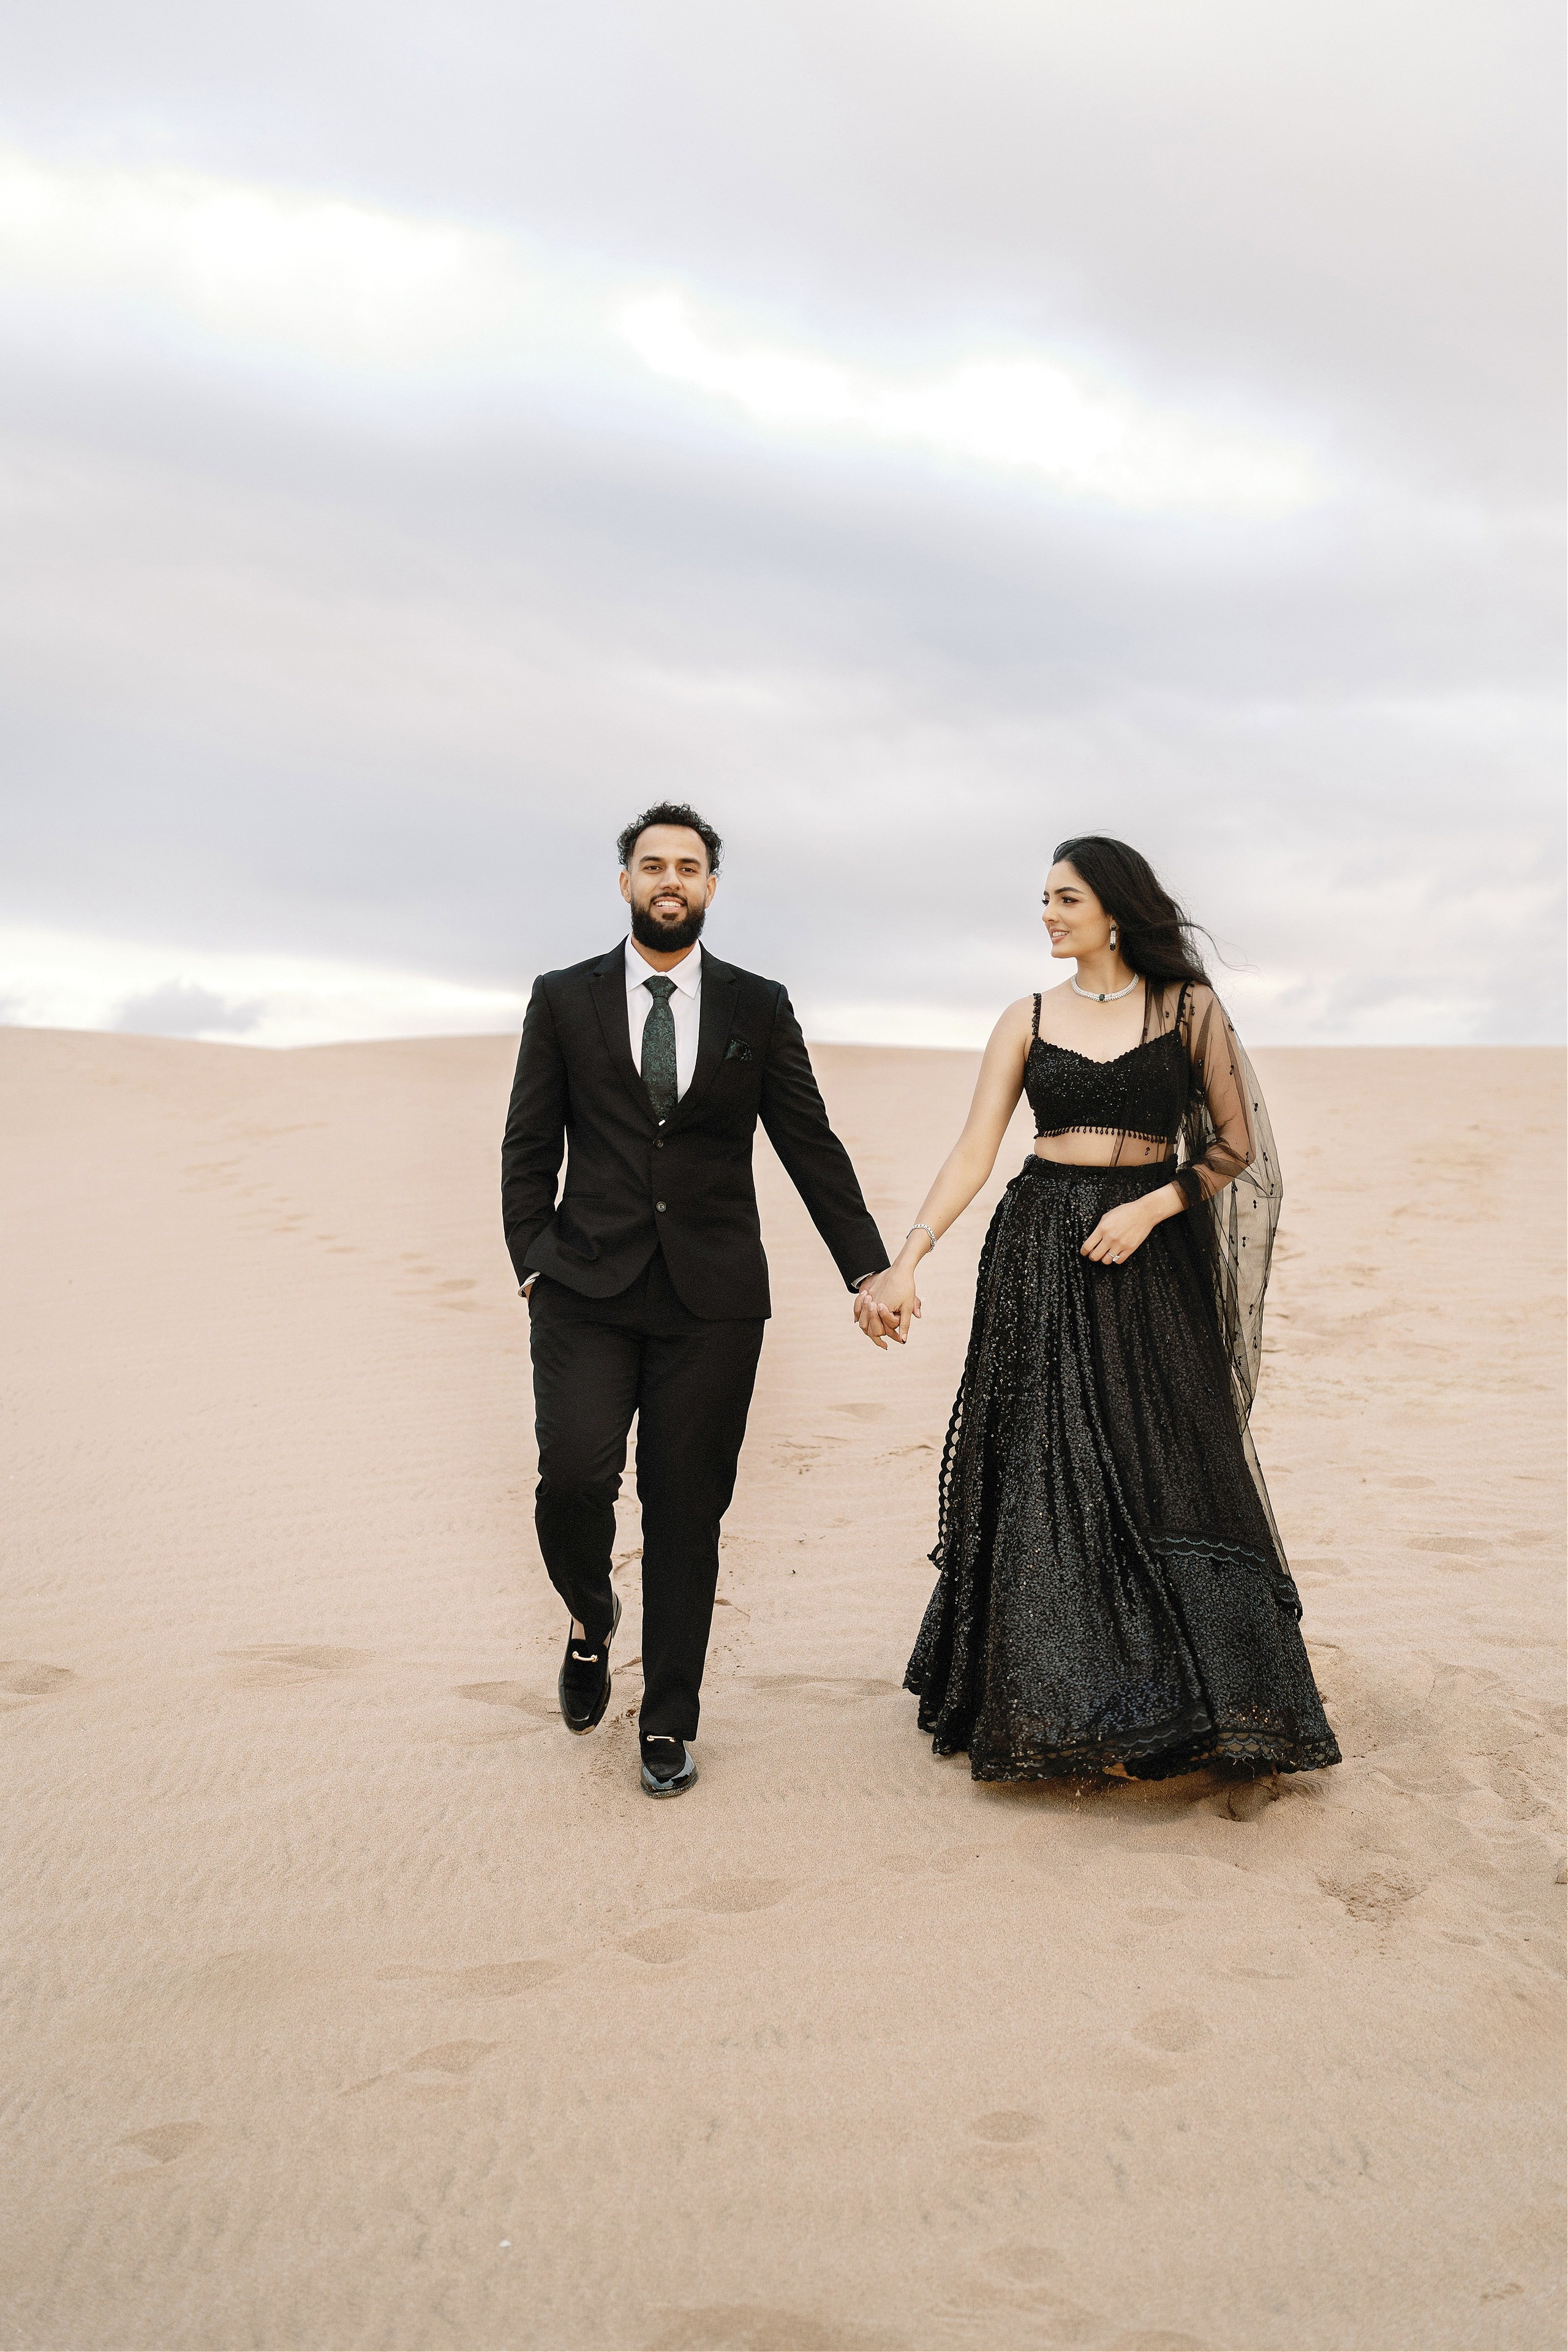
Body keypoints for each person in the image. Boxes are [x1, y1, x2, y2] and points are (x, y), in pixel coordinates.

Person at [855, 835, 1340, 1784]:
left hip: (1151, 1251)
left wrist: (1155, 1206)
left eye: (1065, 898)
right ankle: (1062, 1704)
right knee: (1046, 1460)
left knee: (1173, 1455)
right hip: (1039, 1248)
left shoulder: (1190, 1007)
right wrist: (906, 1259)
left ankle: (1218, 1700)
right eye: (1043, 899)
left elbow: (1238, 1144)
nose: (1047, 914)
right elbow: (972, 1154)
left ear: (1113, 909)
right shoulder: (1025, 1017)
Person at [502, 802, 889, 1796]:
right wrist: (533, 1260)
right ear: (624, 882)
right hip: (583, 1287)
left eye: (688, 866)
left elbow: (809, 1142)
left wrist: (866, 1265)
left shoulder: (758, 1006)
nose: (669, 879)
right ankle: (592, 1617)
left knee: (687, 1511)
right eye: (651, 864)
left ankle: (668, 1720)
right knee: (574, 1480)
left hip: (712, 1302)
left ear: (712, 886)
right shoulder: (562, 998)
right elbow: (528, 1142)